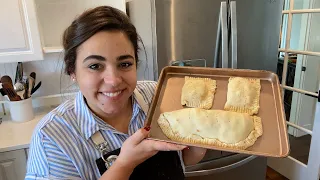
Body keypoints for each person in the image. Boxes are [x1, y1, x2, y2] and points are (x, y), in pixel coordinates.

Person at [25, 6, 207, 180]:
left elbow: (183, 160)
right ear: (72, 71)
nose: (113, 80)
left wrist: (201, 143)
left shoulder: (157, 95)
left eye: (125, 64)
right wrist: (124, 164)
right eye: (95, 66)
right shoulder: (51, 137)